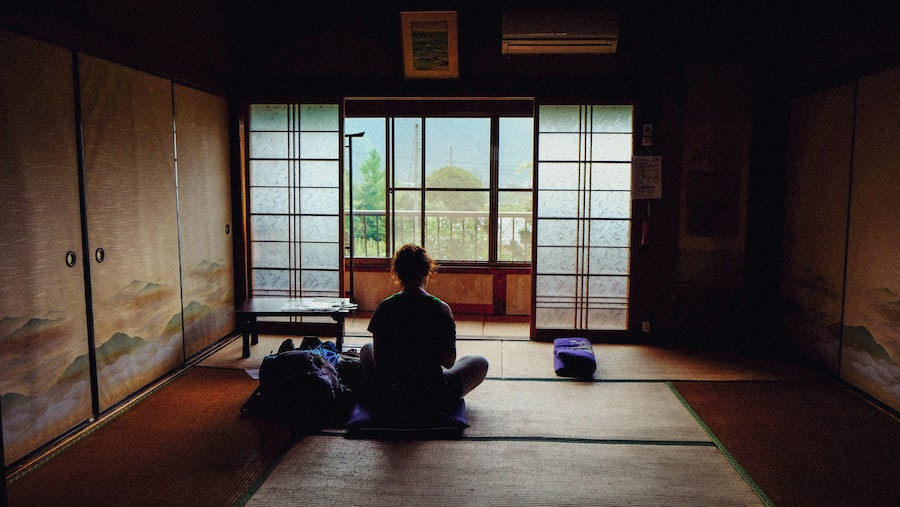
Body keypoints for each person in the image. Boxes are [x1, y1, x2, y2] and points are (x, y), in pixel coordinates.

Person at [359, 244, 489, 424]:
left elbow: (381, 364)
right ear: (427, 271)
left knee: (366, 348)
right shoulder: (441, 308)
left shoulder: (385, 307)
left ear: (397, 273)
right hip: (431, 394)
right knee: (480, 362)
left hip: (392, 395)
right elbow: (449, 362)